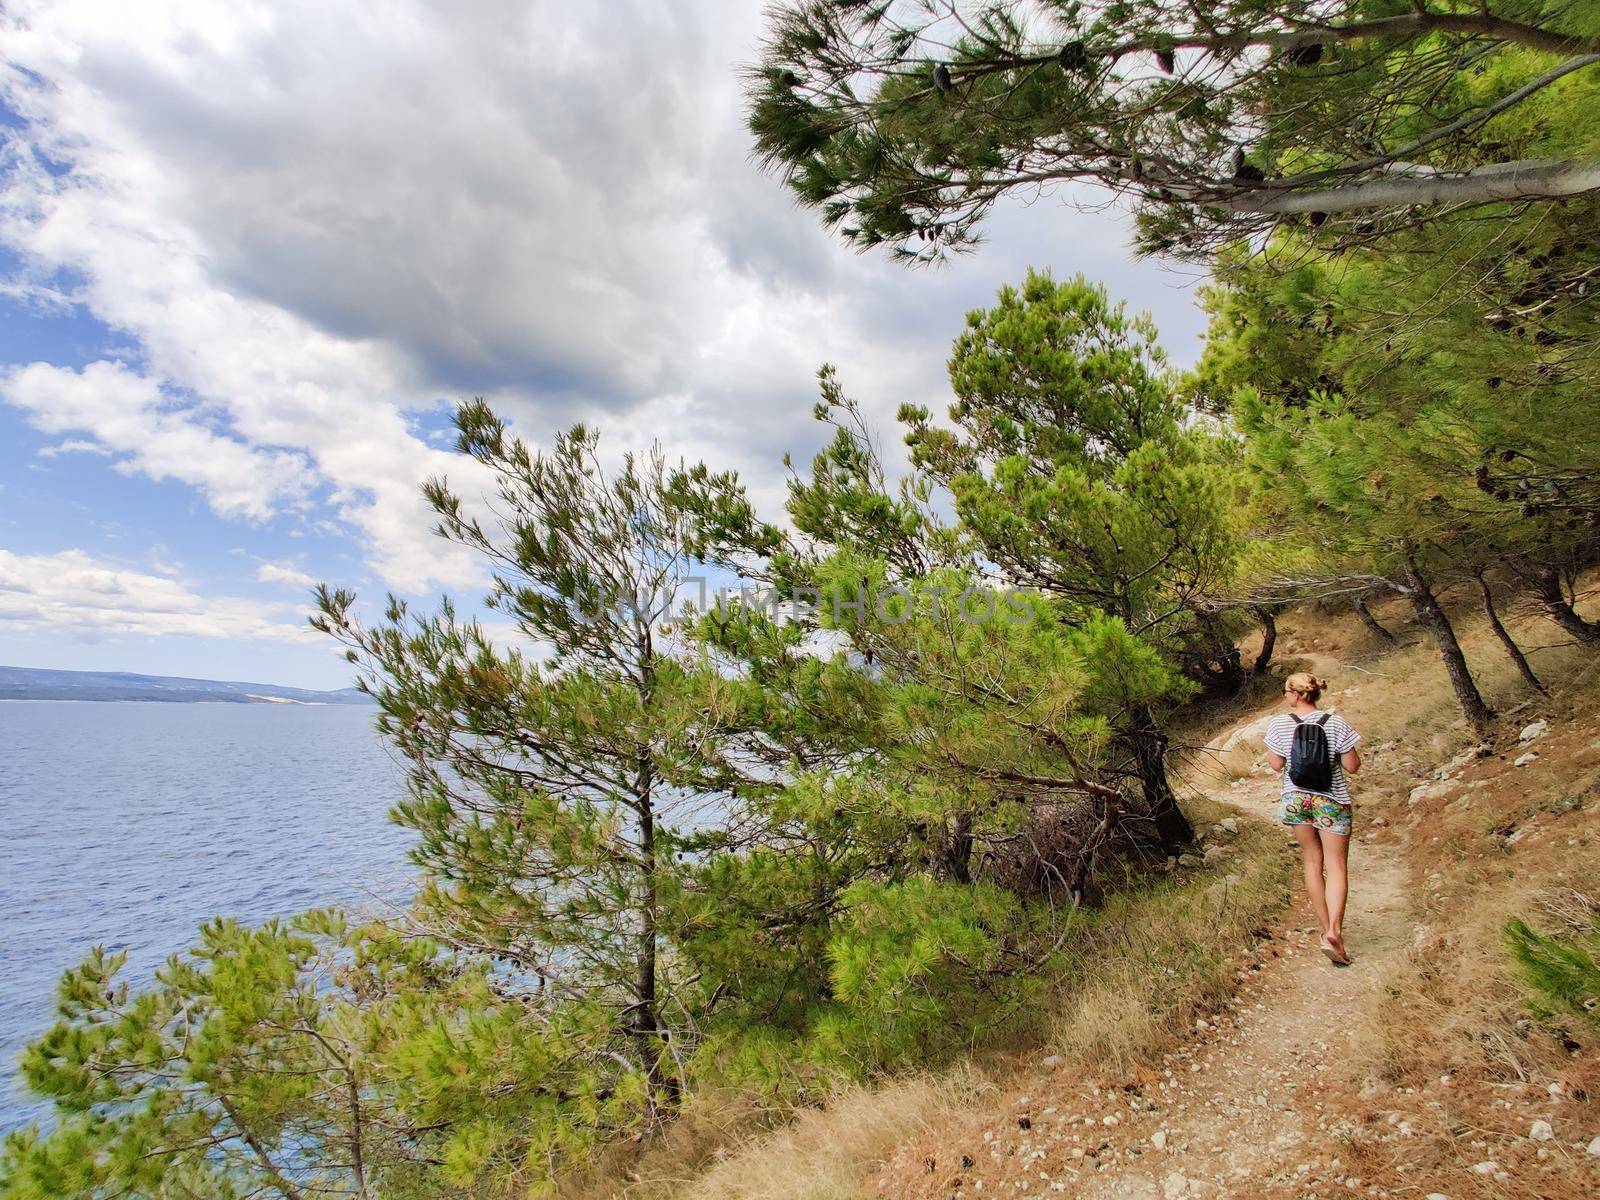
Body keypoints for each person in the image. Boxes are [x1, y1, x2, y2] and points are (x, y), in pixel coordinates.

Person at [1263, 672, 1362, 964]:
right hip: (1332, 801)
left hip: (1296, 800)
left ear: (1296, 695)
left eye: (1285, 692)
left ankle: (1325, 930)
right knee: (1336, 865)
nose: (1285, 696)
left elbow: (1276, 764)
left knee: (1312, 861)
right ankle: (1335, 930)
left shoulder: (1280, 724)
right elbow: (1352, 766)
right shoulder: (1337, 723)